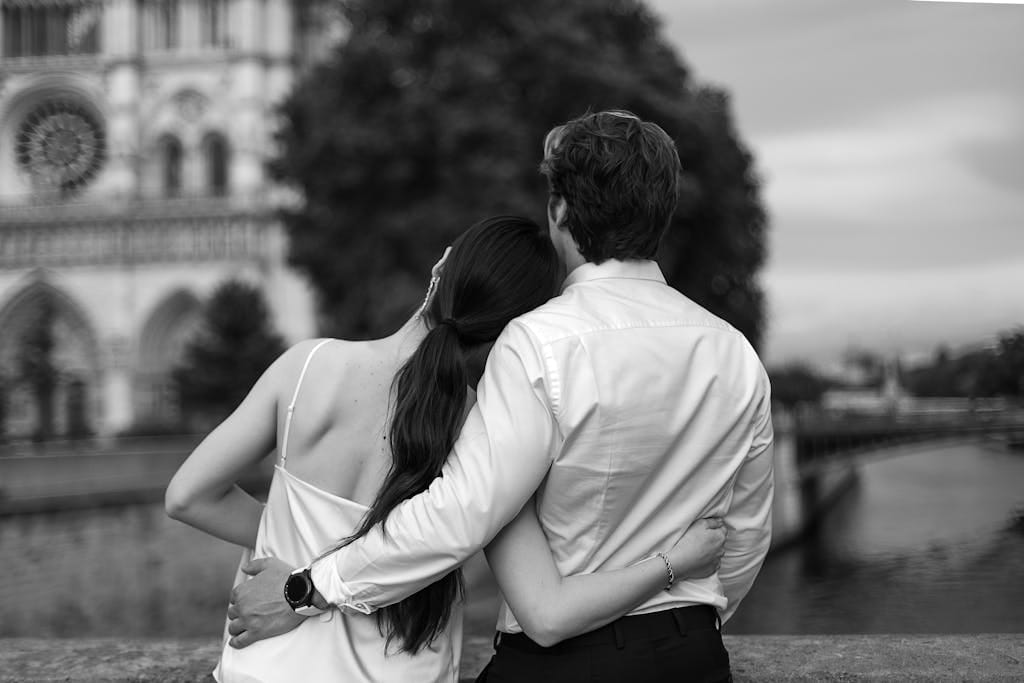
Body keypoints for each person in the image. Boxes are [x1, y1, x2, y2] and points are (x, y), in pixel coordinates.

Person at [229, 110, 775, 682]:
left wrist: (306, 587)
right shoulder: (734, 351)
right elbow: (743, 540)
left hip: (565, 665)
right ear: (663, 213)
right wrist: (682, 623)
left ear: (559, 210)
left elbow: (457, 517)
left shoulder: (538, 342)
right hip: (694, 659)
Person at [165, 215, 728, 683]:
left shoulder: (307, 367)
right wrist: (675, 562)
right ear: (513, 330)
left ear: (442, 267)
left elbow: (188, 496)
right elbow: (546, 607)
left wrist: (295, 547)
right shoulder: (486, 430)